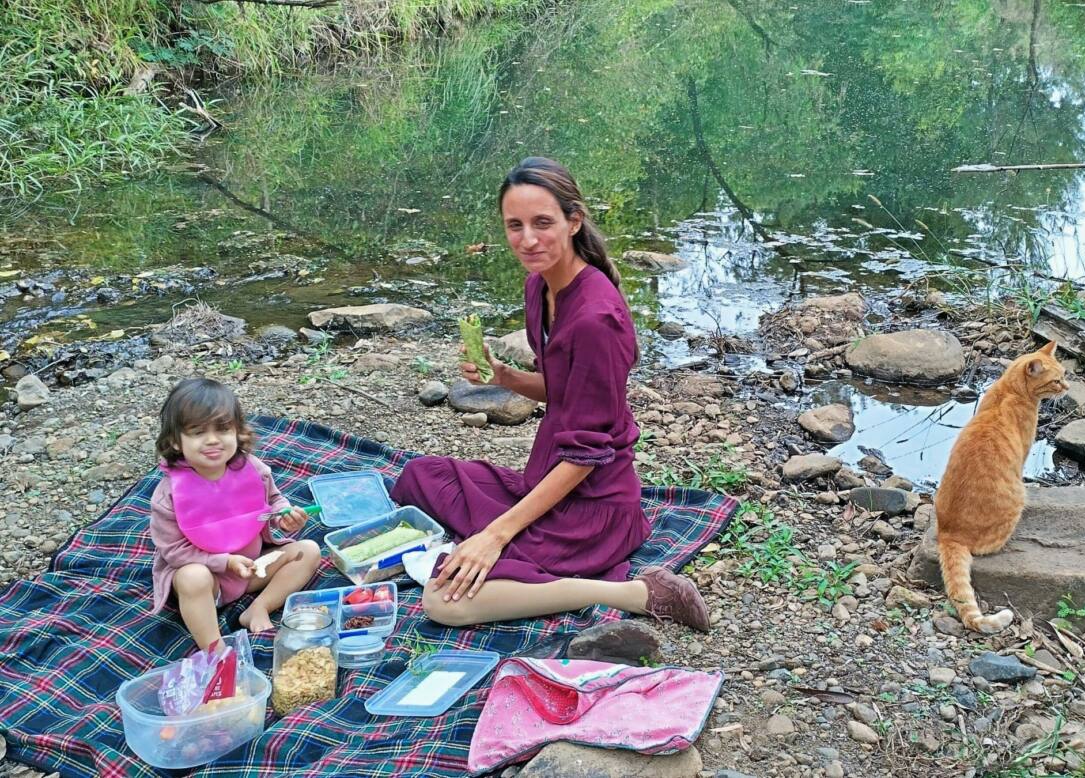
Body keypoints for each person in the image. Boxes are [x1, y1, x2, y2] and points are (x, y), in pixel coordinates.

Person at [391, 157, 709, 631]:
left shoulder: (596, 320)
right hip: (543, 480)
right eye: (514, 226)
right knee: (418, 477)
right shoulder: (540, 286)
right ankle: (512, 543)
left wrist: (495, 535)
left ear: (573, 220)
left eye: (543, 223)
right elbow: (560, 390)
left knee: (444, 602)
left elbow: (587, 455)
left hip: (592, 505)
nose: (527, 239)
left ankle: (636, 593)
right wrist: (503, 377)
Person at [149, 378, 322, 649]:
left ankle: (258, 607)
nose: (212, 440)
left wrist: (284, 516)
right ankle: (215, 651)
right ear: (175, 441)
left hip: (253, 569)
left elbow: (274, 501)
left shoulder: (252, 468)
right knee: (192, 576)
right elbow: (173, 552)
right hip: (209, 583)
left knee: (309, 550)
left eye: (223, 429)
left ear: (238, 432)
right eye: (197, 432)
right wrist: (225, 563)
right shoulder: (169, 493)